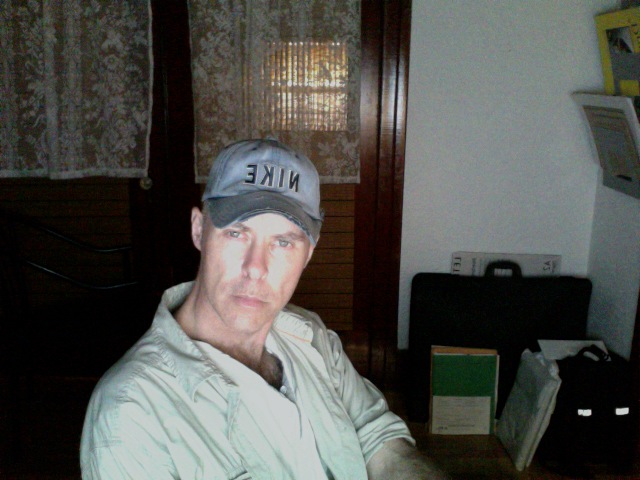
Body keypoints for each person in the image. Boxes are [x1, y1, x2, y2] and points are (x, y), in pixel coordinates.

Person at [80, 138, 448, 479]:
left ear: (309, 253)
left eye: (283, 242)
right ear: (198, 230)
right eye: (236, 233)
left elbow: (379, 440)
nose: (255, 267)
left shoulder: (311, 336)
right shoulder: (130, 414)